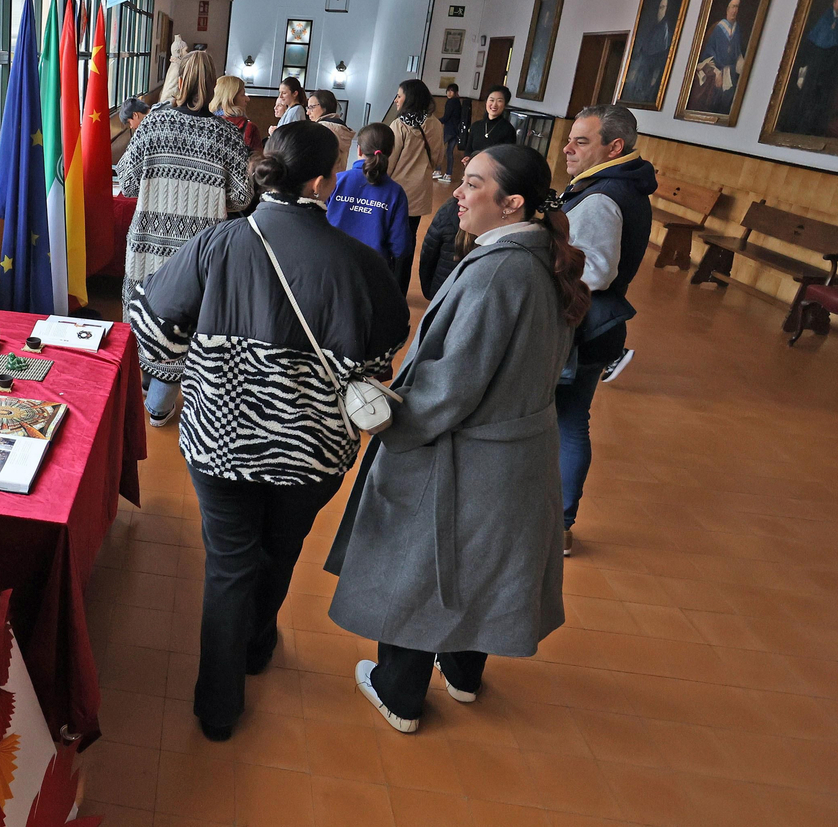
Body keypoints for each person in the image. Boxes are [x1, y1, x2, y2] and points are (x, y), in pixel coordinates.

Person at [127, 121, 408, 741]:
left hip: (220, 444)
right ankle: (257, 647)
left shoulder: (216, 243)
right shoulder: (360, 263)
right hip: (312, 455)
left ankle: (218, 707)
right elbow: (379, 361)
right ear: (322, 181)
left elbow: (154, 331)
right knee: (279, 551)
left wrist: (200, 367)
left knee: (228, 564)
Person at [326, 143, 589, 734]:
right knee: (487, 566)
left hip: (467, 453)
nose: (458, 194)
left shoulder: (499, 271)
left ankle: (399, 693)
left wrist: (390, 420)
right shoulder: (541, 255)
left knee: (423, 569)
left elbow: (452, 385)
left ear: (511, 203)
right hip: (519, 451)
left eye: (472, 184)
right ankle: (464, 676)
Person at [118, 50, 254, 427]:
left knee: (142, 315)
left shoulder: (152, 123)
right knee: (184, 324)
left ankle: (135, 396)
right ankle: (159, 408)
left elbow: (128, 182)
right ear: (212, 89)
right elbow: (243, 197)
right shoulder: (228, 134)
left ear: (177, 83)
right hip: (198, 255)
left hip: (148, 244)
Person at [557, 104, 656, 555]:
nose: (568, 147)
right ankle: (552, 519)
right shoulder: (617, 183)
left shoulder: (602, 197)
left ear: (614, 147)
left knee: (569, 423)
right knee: (571, 421)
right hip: (596, 324)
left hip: (585, 326)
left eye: (581, 141)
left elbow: (594, 272)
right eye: (570, 138)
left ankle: (557, 522)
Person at [386, 79, 445, 292]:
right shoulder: (436, 124)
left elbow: (389, 163)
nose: (396, 100)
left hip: (396, 194)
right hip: (419, 194)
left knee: (388, 241)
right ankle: (400, 290)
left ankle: (386, 288)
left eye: (399, 96)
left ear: (409, 99)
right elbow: (438, 158)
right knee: (408, 242)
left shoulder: (399, 125)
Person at [326, 122, 409, 268]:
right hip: (372, 271)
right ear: (391, 151)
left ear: (358, 150)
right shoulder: (396, 192)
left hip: (332, 263)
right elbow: (400, 246)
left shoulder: (337, 180)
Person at [778, 0, 838, 137]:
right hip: (815, 68)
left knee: (821, 103)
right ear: (834, 2)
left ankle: (812, 130)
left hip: (828, 72)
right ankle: (798, 128)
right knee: (807, 100)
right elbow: (818, 41)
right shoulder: (825, 19)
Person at [687, 0, 746, 115]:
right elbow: (708, 52)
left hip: (731, 73)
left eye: (737, 7)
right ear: (728, 9)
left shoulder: (737, 29)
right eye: (733, 7)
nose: (735, 10)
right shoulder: (718, 28)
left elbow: (737, 52)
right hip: (714, 72)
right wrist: (716, 72)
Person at [622, 0, 674, 105]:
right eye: (659, 7)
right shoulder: (655, 28)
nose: (659, 12)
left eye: (662, 8)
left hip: (648, 74)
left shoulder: (665, 30)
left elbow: (658, 55)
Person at [417, 197, 466, 300]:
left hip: (442, 291)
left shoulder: (448, 211)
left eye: (471, 185)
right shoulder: (448, 211)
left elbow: (428, 255)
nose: (456, 192)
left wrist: (428, 290)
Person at [460, 85, 516, 167]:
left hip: (493, 172)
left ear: (505, 105)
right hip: (474, 169)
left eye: (499, 101)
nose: (494, 104)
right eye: (491, 100)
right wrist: (467, 158)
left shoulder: (508, 129)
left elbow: (508, 157)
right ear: (486, 102)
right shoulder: (476, 126)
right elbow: (468, 149)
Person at [307, 89, 355, 176]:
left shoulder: (322, 130)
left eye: (311, 107)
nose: (308, 112)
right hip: (336, 181)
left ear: (325, 107)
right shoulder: (340, 127)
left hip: (321, 183)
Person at [212, 75, 263, 152]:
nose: (247, 99)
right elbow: (257, 161)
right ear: (231, 98)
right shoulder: (249, 128)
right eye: (243, 95)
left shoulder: (204, 124)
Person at [438, 84, 465, 182]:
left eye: (451, 91)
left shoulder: (450, 102)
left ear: (455, 92)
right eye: (448, 91)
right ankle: (448, 174)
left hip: (449, 130)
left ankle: (437, 170)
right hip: (456, 131)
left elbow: (446, 117)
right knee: (449, 152)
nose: (449, 93)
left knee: (439, 149)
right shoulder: (458, 102)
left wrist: (436, 121)